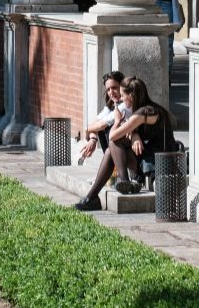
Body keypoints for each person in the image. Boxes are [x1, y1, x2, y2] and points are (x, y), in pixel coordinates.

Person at [74, 76, 176, 211]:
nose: (121, 99)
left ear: (131, 95)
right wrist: (134, 135)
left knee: (113, 143)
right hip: (149, 158)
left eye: (122, 95)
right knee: (112, 149)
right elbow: (127, 133)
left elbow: (113, 135)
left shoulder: (144, 113)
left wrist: (117, 122)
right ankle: (94, 196)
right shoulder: (145, 110)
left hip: (159, 163)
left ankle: (120, 183)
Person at [78, 71, 128, 161]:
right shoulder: (112, 105)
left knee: (105, 128)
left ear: (122, 86)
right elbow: (96, 123)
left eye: (114, 88)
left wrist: (87, 129)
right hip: (117, 148)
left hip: (130, 149)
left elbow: (101, 125)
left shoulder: (125, 105)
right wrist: (93, 139)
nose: (111, 92)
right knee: (101, 129)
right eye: (108, 89)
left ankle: (115, 168)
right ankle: (113, 168)